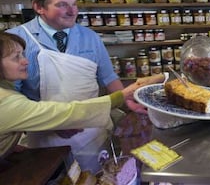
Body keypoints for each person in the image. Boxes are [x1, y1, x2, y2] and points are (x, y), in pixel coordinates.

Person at [5, 0, 142, 168]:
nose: (72, 11)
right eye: (62, 5)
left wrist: (129, 104)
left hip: (92, 133)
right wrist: (54, 125)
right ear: (38, 7)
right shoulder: (17, 41)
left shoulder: (90, 37)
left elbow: (109, 79)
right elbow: (14, 99)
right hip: (45, 138)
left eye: (74, 4)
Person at [0, 32, 165, 159]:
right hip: (50, 137)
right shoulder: (5, 102)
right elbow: (66, 112)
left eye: (23, 54)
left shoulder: (89, 36)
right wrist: (123, 95)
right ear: (39, 7)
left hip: (86, 132)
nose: (25, 61)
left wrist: (7, 145)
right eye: (16, 57)